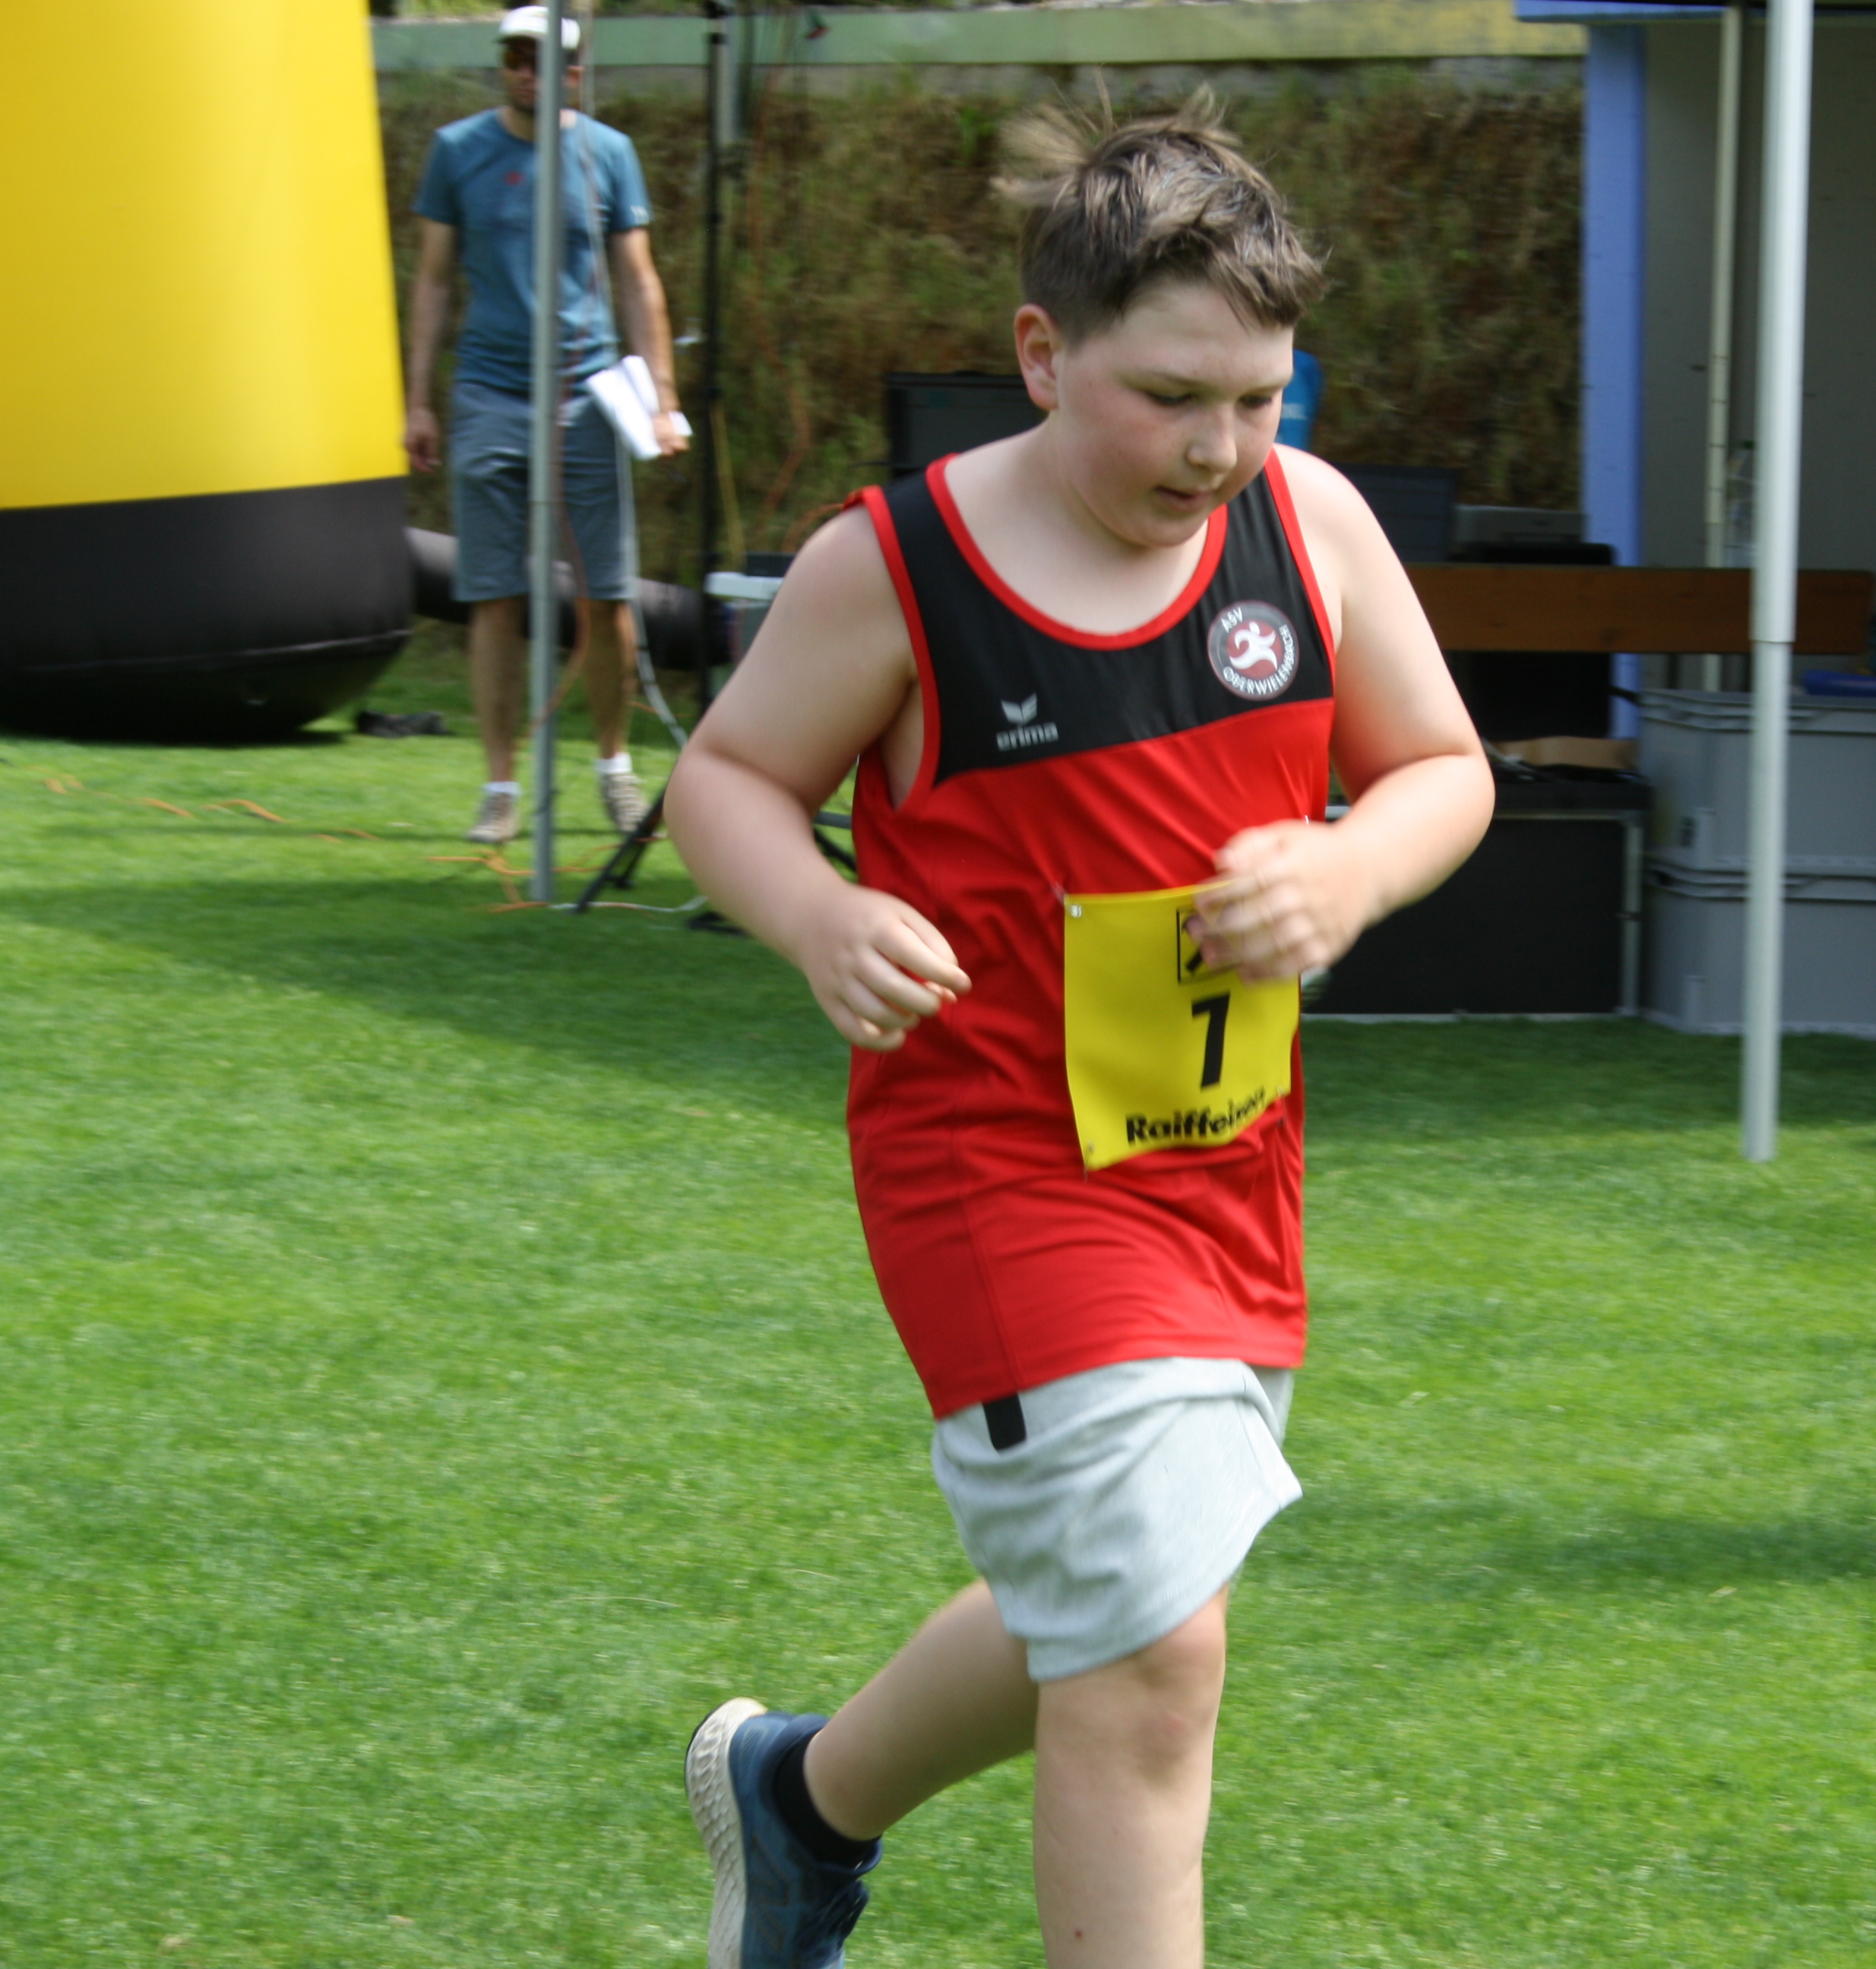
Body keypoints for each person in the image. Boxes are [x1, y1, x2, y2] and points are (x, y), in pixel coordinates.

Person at [660, 100, 1492, 1967]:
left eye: (1260, 399)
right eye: (1170, 396)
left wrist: (1349, 870)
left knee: (1123, 1603)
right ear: (1040, 355)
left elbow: (1444, 769)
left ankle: (800, 1802)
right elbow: (726, 776)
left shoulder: (1312, 524)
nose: (1218, 447)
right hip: (995, 1175)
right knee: (1154, 1658)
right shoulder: (900, 564)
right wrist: (815, 911)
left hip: (1224, 1173)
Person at [404, 5, 686, 847]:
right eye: (515, 58)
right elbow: (433, 281)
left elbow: (638, 281)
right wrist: (418, 400)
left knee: (606, 594)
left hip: (588, 397)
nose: (527, 72)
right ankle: (499, 787)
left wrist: (663, 400)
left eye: (544, 59)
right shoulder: (458, 151)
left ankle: (614, 769)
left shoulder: (609, 154)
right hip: (489, 395)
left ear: (576, 70)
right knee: (492, 597)